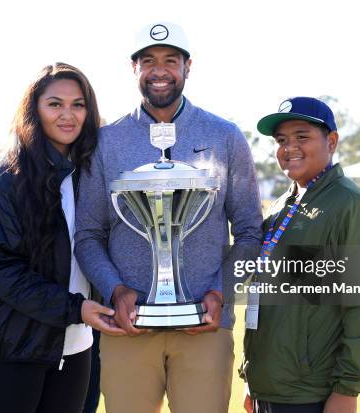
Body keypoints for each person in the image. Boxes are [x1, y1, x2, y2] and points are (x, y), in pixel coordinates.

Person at [74, 22, 263, 413]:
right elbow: (89, 235)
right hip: (128, 324)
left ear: (187, 66)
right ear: (134, 69)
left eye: (170, 60)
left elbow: (248, 231)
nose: (159, 70)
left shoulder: (225, 136)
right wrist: (115, 290)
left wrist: (219, 292)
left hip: (205, 325)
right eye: (148, 61)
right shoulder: (104, 142)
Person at [0, 62, 125, 413]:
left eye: (78, 104)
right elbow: (1, 270)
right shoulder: (6, 176)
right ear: (34, 109)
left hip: (76, 344)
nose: (68, 115)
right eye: (55, 104)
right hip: (8, 343)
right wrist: (76, 308)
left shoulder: (86, 173)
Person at [241, 97, 360, 413]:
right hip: (268, 388)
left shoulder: (348, 204)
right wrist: (251, 377)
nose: (289, 147)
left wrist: (347, 390)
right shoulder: (284, 203)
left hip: (311, 395)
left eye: (301, 136)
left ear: (331, 141)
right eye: (281, 140)